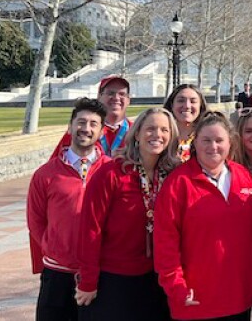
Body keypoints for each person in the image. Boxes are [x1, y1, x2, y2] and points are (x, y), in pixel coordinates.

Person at [75, 107, 180, 320]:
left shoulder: (174, 176)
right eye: (150, 129)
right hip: (114, 279)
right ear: (137, 133)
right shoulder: (112, 173)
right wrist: (88, 281)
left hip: (157, 279)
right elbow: (90, 230)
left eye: (164, 130)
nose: (157, 135)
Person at [154, 111, 252, 320]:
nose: (213, 147)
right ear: (195, 143)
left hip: (239, 298)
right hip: (195, 300)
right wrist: (176, 287)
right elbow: (165, 242)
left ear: (230, 143)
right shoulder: (178, 182)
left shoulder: (243, 176)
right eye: (206, 140)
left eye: (219, 140)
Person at [27, 98, 109, 321]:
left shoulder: (112, 171)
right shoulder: (46, 173)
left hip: (100, 273)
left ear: (101, 132)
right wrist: (53, 245)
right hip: (58, 274)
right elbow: (35, 219)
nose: (86, 128)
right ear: (70, 126)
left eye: (93, 124)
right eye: (81, 122)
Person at [49, 75, 133, 158]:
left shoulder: (137, 131)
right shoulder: (81, 130)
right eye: (110, 93)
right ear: (99, 97)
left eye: (122, 94)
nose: (116, 98)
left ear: (128, 100)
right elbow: (54, 166)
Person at [163, 84, 208, 163]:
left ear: (200, 106)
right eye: (181, 101)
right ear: (171, 105)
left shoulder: (208, 136)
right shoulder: (162, 136)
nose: (187, 106)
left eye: (193, 101)